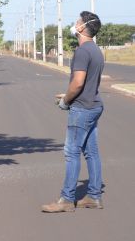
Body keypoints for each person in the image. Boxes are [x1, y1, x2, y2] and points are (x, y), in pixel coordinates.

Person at [42, 11, 105, 213]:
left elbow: (78, 83)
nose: (74, 24)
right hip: (94, 105)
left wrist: (66, 101)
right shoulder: (96, 51)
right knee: (91, 153)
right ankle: (94, 197)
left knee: (71, 153)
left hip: (82, 109)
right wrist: (67, 94)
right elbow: (87, 83)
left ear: (82, 27)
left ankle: (67, 199)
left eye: (77, 21)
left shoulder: (82, 52)